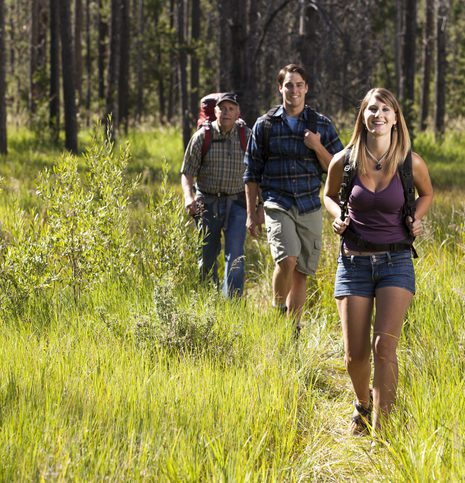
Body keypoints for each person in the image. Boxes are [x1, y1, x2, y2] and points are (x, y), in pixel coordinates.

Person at [323, 87, 433, 437]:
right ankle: (362, 405)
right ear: (363, 117)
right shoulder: (345, 159)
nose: (378, 115)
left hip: (395, 261)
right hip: (353, 263)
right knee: (355, 355)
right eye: (372, 109)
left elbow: (427, 193)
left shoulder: (409, 161)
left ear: (395, 117)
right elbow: (327, 195)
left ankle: (383, 432)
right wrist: (338, 213)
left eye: (385, 109)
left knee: (383, 347)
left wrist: (416, 216)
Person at [244, 64, 343, 327]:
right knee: (287, 259)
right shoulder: (265, 124)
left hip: (309, 204)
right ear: (280, 88)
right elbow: (251, 171)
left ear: (307, 88)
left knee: (301, 271)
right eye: (289, 85)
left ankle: (294, 328)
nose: (294, 90)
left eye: (299, 85)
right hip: (277, 202)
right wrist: (251, 213)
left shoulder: (321, 124)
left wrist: (317, 146)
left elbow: (338, 168)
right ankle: (278, 309)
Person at [181, 92, 251, 297]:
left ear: (238, 112)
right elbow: (187, 173)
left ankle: (233, 307)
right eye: (222, 108)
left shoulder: (247, 136)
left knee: (236, 257)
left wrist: (258, 206)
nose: (226, 112)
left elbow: (257, 173)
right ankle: (209, 302)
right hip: (206, 203)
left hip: (237, 203)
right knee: (207, 257)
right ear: (215, 112)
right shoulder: (202, 136)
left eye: (231, 109)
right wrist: (188, 197)